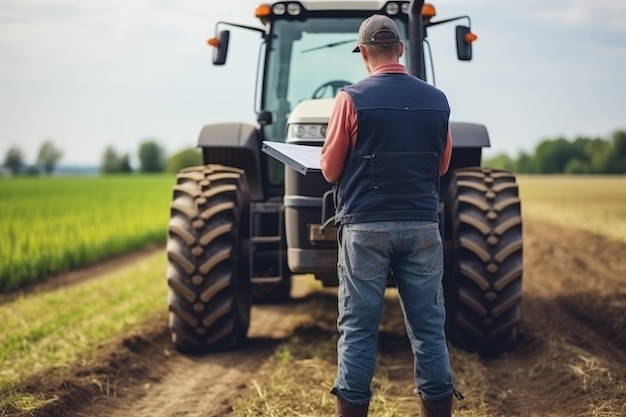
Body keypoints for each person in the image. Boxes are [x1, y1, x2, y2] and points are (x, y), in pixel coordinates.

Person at [320, 14, 460, 417]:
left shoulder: (350, 98)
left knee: (359, 331)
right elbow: (443, 164)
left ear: (363, 53)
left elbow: (330, 170)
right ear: (401, 49)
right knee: (429, 330)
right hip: (421, 227)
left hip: (364, 228)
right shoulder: (437, 100)